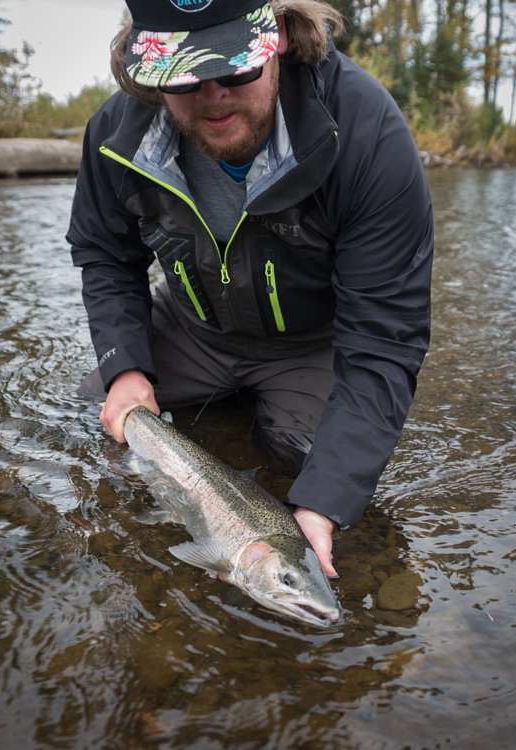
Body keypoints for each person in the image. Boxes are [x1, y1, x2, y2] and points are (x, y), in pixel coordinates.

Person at [66, 0, 433, 578]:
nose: (213, 96)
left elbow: (385, 339)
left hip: (308, 343)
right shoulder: (116, 133)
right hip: (191, 326)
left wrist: (322, 505)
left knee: (308, 462)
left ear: (282, 34)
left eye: (236, 67)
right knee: (98, 417)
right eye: (183, 73)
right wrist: (126, 368)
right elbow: (107, 256)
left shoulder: (366, 133)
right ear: (146, 66)